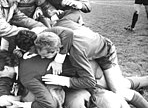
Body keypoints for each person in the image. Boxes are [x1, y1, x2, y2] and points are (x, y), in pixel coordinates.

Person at [15, 24, 148, 108]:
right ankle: (144, 80)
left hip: (103, 55)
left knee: (119, 90)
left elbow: (89, 80)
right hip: (89, 58)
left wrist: (63, 79)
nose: (41, 57)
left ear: (55, 50)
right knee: (120, 83)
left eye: (43, 54)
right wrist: (20, 52)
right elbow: (67, 33)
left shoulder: (74, 52)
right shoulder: (46, 36)